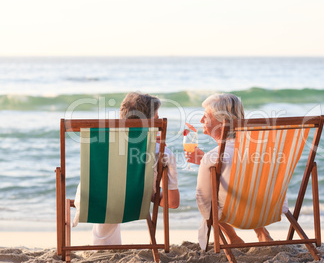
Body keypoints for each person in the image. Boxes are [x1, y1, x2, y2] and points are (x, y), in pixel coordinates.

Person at [73, 92, 180, 245]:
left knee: (110, 187)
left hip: (94, 199)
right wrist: (152, 192)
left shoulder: (102, 143)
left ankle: (103, 247)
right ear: (150, 122)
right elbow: (173, 203)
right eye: (156, 118)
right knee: (126, 190)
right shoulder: (161, 151)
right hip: (135, 202)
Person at [185, 93, 286, 250]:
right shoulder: (265, 150)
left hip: (234, 215)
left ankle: (233, 239)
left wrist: (206, 162)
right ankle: (263, 233)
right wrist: (207, 162)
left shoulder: (213, 157)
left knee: (212, 194)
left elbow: (203, 201)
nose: (201, 121)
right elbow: (240, 173)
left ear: (221, 120)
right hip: (270, 209)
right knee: (251, 184)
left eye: (205, 116)